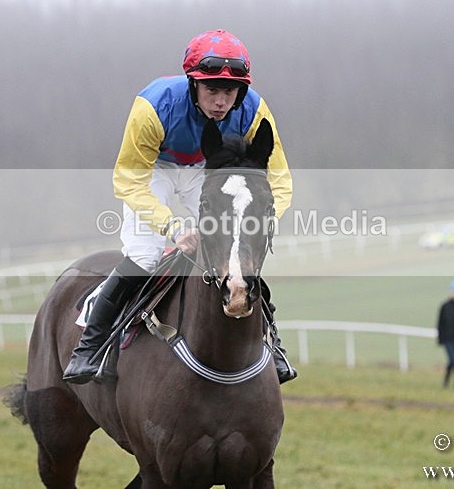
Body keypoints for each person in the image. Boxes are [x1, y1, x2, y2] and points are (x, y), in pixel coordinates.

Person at [63, 29, 297, 385]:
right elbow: (128, 181)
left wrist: (259, 224)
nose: (221, 102)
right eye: (212, 90)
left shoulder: (254, 111)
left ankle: (272, 343)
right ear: (193, 85)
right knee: (145, 255)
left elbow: (278, 180)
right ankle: (91, 346)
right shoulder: (153, 107)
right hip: (152, 171)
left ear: (242, 92)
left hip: (205, 169)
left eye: (229, 92)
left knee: (237, 246)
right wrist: (173, 227)